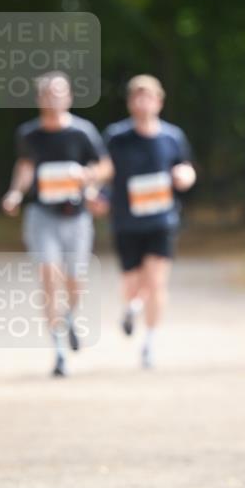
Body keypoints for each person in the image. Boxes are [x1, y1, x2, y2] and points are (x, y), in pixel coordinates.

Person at [1, 72, 109, 377]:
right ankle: (59, 351)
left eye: (59, 92)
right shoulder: (29, 134)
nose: (53, 98)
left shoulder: (82, 132)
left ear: (69, 97)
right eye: (48, 93)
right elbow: (25, 166)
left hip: (76, 216)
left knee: (75, 280)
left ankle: (70, 316)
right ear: (39, 99)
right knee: (49, 276)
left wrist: (88, 178)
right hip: (41, 214)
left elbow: (104, 166)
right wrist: (15, 193)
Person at [102, 74, 195, 369]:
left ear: (159, 101)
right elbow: (104, 173)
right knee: (132, 282)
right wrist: (98, 196)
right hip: (126, 221)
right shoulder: (116, 137)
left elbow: (186, 167)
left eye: (149, 96)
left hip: (162, 219)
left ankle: (150, 341)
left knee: (156, 281)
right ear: (130, 103)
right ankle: (132, 307)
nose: (143, 102)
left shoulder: (172, 137)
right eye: (137, 97)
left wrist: (185, 177)